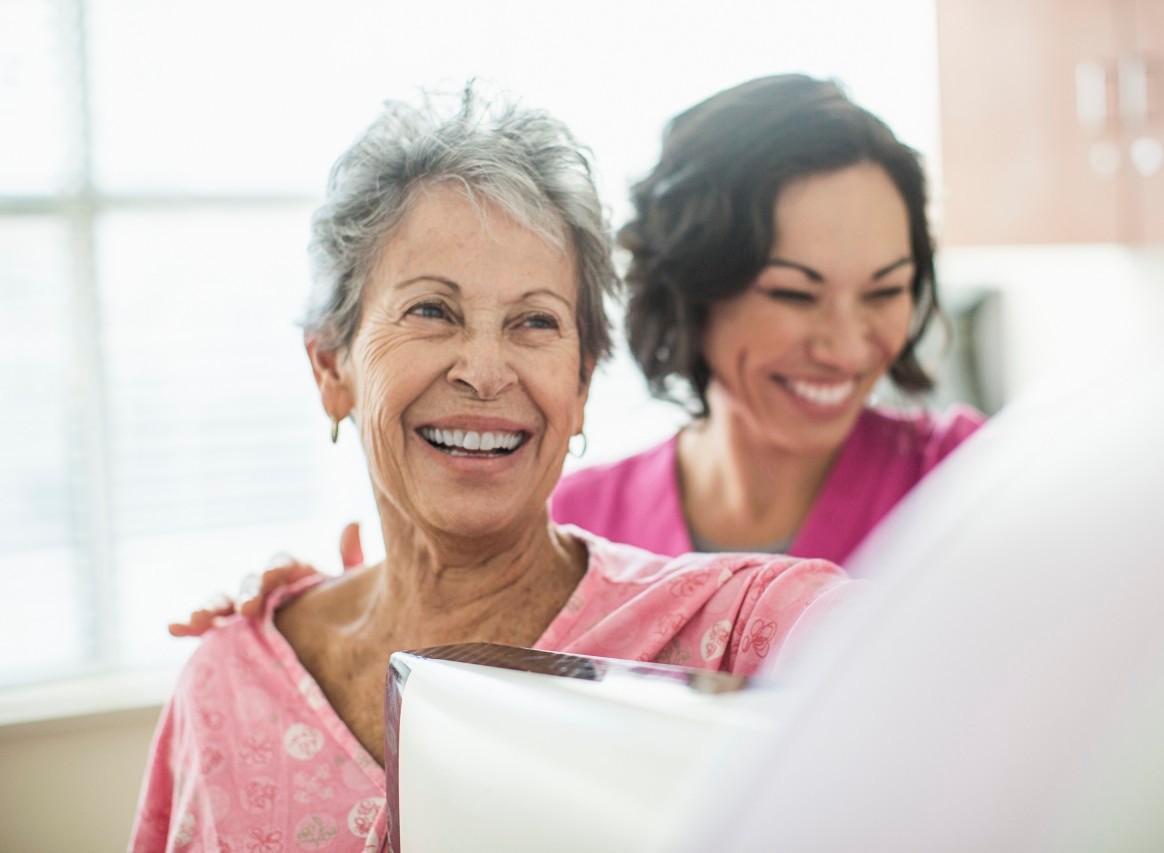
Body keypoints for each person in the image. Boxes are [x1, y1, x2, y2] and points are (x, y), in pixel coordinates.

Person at [131, 86, 853, 852]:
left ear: (579, 384)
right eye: (432, 311)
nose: (485, 370)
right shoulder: (229, 682)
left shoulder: (726, 624)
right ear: (331, 367)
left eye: (534, 321)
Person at [552, 74, 982, 563]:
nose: (845, 349)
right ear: (690, 290)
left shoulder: (975, 481)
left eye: (883, 291)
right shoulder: (570, 530)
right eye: (794, 294)